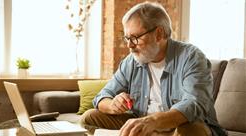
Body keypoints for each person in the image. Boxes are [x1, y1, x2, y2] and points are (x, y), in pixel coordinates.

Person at [80, 2, 227, 136]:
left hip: (179, 127)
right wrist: (112, 104)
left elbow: (195, 104)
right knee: (90, 117)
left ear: (159, 34)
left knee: (190, 130)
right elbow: (102, 96)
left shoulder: (191, 57)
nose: (130, 45)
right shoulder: (131, 61)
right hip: (144, 125)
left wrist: (153, 121)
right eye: (127, 38)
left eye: (135, 38)